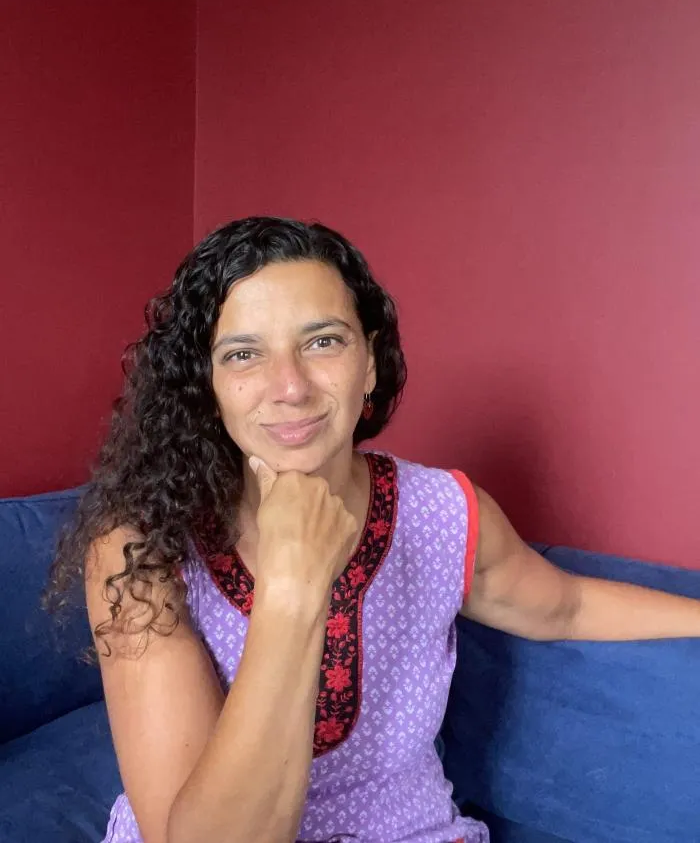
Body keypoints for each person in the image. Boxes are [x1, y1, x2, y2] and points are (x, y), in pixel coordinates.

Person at [48, 216, 700, 843]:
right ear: (209, 385)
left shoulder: (444, 510)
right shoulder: (139, 548)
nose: (290, 385)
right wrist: (293, 587)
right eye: (244, 353)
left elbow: (568, 606)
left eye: (323, 340)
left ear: (370, 364)